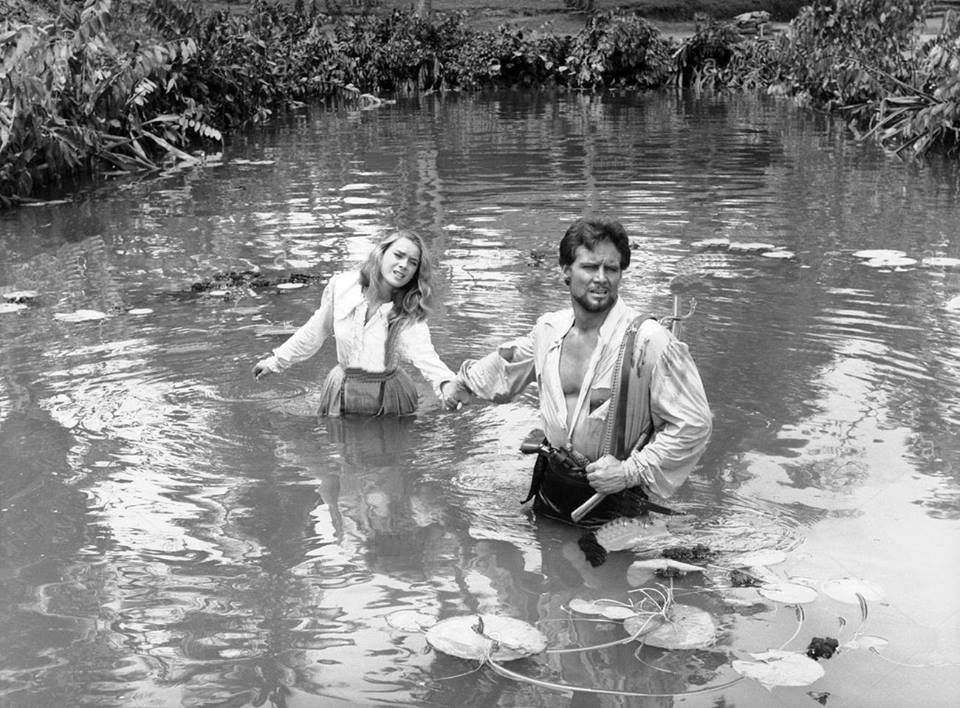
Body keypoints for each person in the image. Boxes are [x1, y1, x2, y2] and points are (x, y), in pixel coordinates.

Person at [446, 217, 713, 525]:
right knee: (548, 566)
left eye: (611, 269)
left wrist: (630, 472)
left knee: (610, 571)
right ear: (566, 271)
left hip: (616, 500)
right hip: (552, 487)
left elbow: (694, 424)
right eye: (589, 267)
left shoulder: (649, 341)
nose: (601, 278)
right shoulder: (549, 329)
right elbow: (510, 360)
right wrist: (463, 383)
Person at [253, 230, 460, 416]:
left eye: (413, 262)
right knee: (342, 454)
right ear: (381, 254)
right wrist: (275, 362)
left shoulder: (408, 310)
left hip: (389, 395)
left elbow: (425, 356)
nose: (404, 265)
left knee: (389, 453)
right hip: (341, 387)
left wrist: (446, 384)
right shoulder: (343, 285)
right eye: (398, 255)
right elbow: (315, 330)